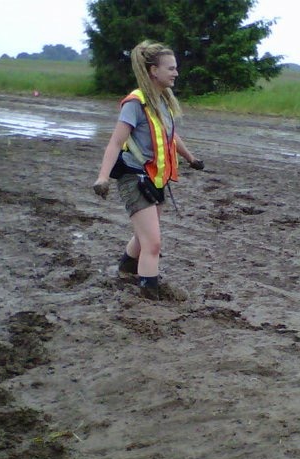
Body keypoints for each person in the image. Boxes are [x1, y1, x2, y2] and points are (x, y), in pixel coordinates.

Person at [93, 40, 204, 300]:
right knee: (153, 243)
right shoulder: (135, 102)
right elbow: (116, 142)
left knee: (144, 236)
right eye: (171, 68)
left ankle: (125, 268)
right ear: (154, 70)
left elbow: (169, 137)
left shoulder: (163, 100)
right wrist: (102, 177)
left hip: (156, 178)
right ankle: (149, 296)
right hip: (134, 177)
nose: (176, 73)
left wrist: (190, 158)